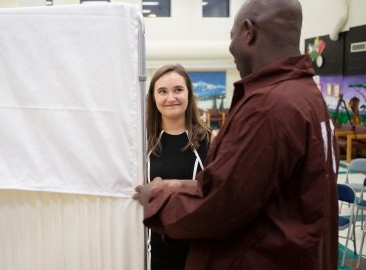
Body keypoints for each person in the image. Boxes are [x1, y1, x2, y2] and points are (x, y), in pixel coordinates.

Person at [132, 0, 339, 269]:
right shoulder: (307, 97)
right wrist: (187, 186)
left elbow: (219, 206)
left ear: (248, 32)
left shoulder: (268, 107)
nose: (170, 98)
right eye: (162, 91)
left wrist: (156, 199)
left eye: (232, 37)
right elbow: (250, 187)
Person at [144, 64, 213, 270]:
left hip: (198, 254)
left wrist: (172, 185)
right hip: (149, 254)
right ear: (153, 98)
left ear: (189, 95)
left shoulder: (211, 141)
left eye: (178, 90)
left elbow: (220, 189)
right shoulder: (141, 143)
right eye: (162, 91)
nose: (170, 97)